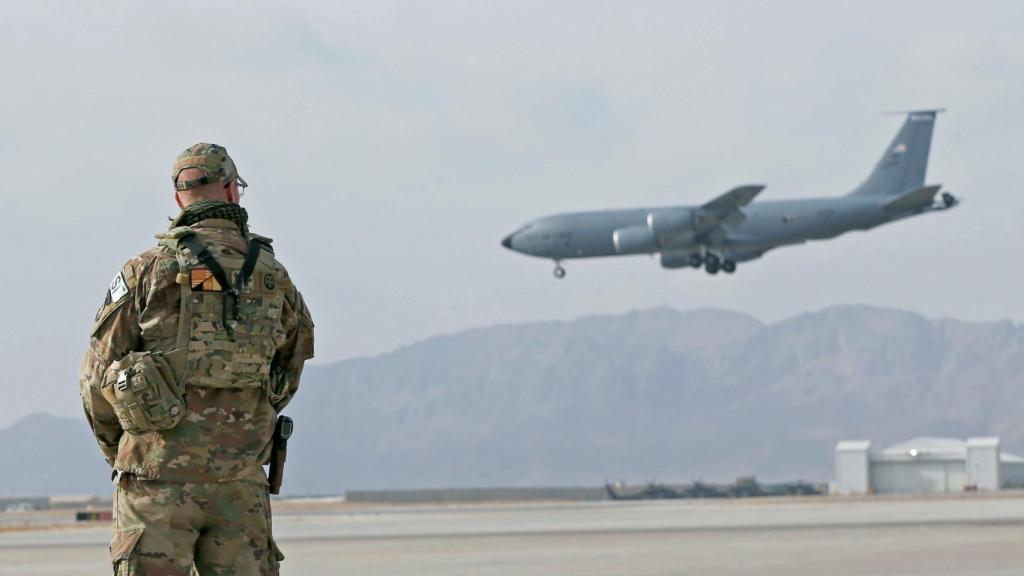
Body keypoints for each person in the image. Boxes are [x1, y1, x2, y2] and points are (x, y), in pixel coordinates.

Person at [79, 143, 315, 575]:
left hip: (156, 481)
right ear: (230, 191)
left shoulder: (147, 271)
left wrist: (128, 453)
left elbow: (97, 377)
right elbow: (290, 368)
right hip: (240, 483)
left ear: (179, 199)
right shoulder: (273, 277)